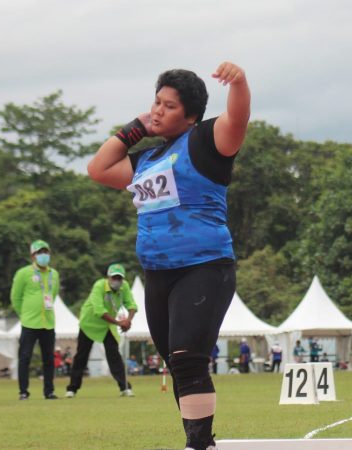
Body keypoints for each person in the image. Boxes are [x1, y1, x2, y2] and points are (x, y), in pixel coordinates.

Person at [87, 61, 250, 449]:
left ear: (191, 116)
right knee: (179, 364)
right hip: (159, 274)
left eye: (169, 106)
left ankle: (197, 445)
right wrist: (135, 128)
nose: (158, 110)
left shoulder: (207, 140)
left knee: (188, 358)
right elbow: (98, 168)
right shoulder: (145, 159)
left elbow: (239, 117)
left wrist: (240, 82)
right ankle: (202, 441)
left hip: (204, 266)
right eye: (156, 102)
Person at [66, 263, 137, 398]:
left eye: (119, 278)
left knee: (114, 355)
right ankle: (72, 389)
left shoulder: (125, 286)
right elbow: (99, 310)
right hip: (89, 324)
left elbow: (131, 304)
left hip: (106, 326)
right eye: (114, 277)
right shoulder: (99, 285)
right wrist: (119, 322)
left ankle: (124, 387)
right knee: (81, 356)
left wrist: (128, 320)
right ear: (108, 277)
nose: (116, 281)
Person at [10, 239, 60, 400]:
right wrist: (23, 314)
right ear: (33, 256)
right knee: (25, 357)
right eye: (40, 252)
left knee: (49, 359)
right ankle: (23, 391)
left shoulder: (54, 274)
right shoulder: (23, 273)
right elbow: (15, 297)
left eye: (46, 252)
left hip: (48, 321)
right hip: (29, 322)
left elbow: (54, 294)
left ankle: (49, 391)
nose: (43, 255)